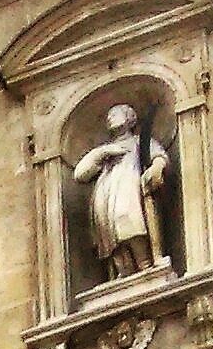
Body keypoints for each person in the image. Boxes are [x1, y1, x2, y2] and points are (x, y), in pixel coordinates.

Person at [73, 104, 171, 284]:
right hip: (105, 195)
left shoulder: (139, 141)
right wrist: (101, 152)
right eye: (109, 115)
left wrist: (156, 167)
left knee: (127, 220)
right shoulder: (105, 151)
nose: (110, 117)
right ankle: (124, 271)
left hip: (129, 188)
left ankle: (145, 264)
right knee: (109, 232)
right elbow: (80, 174)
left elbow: (159, 155)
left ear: (130, 118)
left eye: (115, 114)